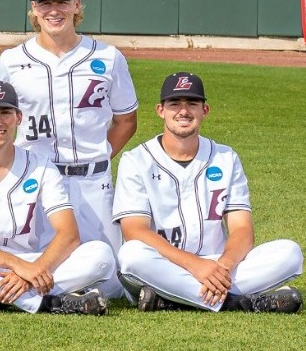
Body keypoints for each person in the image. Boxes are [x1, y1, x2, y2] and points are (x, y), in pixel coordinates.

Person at [0, 0, 137, 298]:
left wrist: (97, 155)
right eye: (45, 3)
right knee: (38, 261)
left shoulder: (107, 57)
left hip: (93, 181)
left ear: (77, 6)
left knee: (111, 283)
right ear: (34, 10)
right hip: (36, 181)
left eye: (62, 1)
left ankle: (32, 295)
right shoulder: (11, 61)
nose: (54, 10)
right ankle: (49, 294)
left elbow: (127, 120)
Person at [114, 71, 302, 313]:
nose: (183, 111)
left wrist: (223, 266)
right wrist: (195, 266)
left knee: (290, 253)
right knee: (131, 256)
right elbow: (134, 230)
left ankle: (172, 300)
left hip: (218, 265)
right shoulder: (136, 160)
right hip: (163, 264)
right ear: (160, 110)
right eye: (175, 104)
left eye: (192, 103)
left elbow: (242, 229)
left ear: (205, 110)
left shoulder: (226, 157)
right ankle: (237, 303)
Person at [0, 80, 114, 315]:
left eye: (5, 112)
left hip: (28, 263)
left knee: (101, 254)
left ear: (18, 117)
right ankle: (49, 303)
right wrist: (18, 267)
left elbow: (69, 234)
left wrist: (33, 269)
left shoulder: (41, 165)